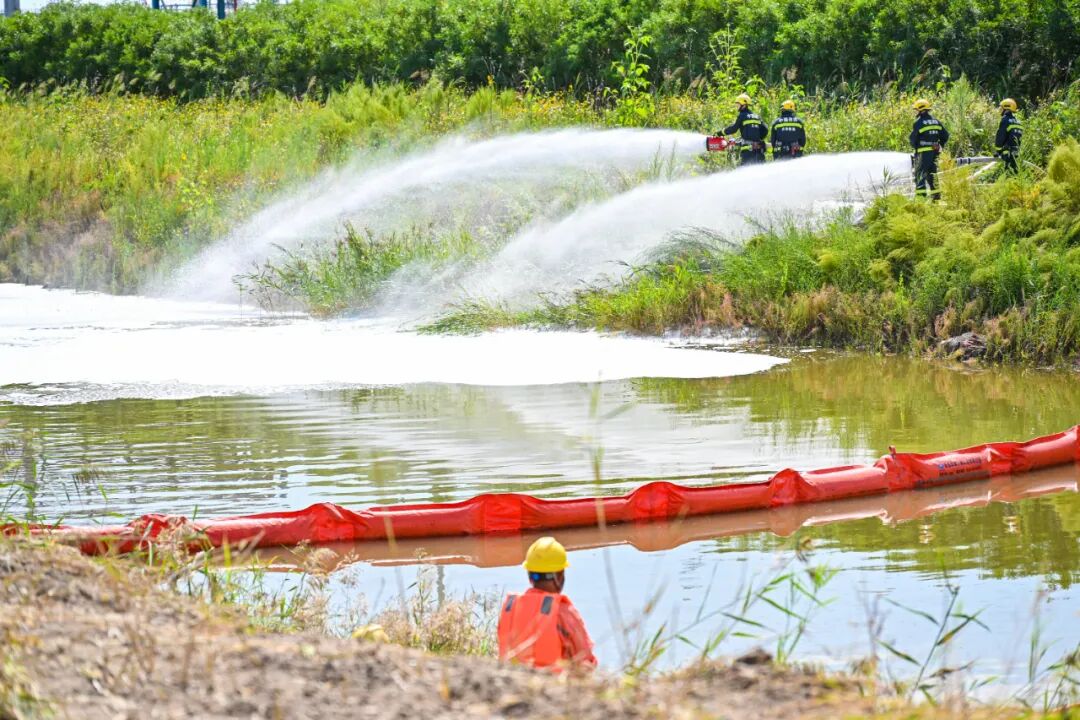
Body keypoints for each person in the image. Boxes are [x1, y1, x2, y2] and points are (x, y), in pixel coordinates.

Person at [497, 536, 596, 671]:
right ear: (559, 576)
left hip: (511, 680)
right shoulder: (562, 611)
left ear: (530, 576)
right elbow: (586, 661)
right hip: (553, 682)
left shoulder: (510, 606)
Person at [909, 98, 949, 201]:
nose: (916, 112)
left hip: (922, 154)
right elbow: (946, 136)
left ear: (921, 110)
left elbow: (913, 139)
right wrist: (939, 147)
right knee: (932, 175)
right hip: (934, 153)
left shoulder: (918, 123)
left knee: (920, 175)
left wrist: (916, 148)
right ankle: (936, 199)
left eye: (916, 110)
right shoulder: (936, 122)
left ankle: (921, 200)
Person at [722, 93, 768, 165]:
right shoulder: (756, 116)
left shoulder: (742, 115)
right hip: (759, 152)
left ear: (744, 105)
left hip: (748, 153)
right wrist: (757, 138)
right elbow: (765, 129)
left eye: (738, 104)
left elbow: (733, 129)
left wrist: (721, 132)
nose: (737, 107)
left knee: (746, 171)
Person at [995, 98, 1023, 174]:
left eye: (1002, 108)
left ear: (1006, 109)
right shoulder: (1018, 122)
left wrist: (998, 150)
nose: (1000, 110)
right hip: (1016, 152)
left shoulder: (1005, 120)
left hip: (1007, 153)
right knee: (1015, 173)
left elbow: (1000, 136)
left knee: (1007, 173)